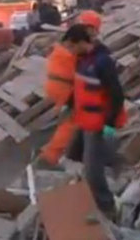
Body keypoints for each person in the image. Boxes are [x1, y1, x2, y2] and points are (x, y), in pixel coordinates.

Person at [66, 17, 127, 222]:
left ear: (81, 42)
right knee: (73, 153)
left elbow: (117, 94)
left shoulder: (103, 61)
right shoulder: (82, 60)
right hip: (84, 119)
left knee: (92, 170)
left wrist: (109, 124)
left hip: (98, 122)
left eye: (72, 46)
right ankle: (108, 163)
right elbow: (81, 87)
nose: (70, 51)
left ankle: (107, 208)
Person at [36, 25, 92, 169]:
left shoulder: (62, 49)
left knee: (70, 119)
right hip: (62, 88)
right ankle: (50, 157)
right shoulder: (69, 52)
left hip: (59, 87)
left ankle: (51, 152)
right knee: (72, 121)